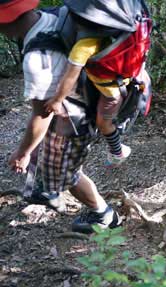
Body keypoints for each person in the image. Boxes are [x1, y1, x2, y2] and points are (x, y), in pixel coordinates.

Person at [1, 0, 121, 233]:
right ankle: (46, 188)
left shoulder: (36, 58)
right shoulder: (53, 17)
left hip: (76, 117)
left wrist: (22, 153)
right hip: (85, 100)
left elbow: (42, 114)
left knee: (68, 174)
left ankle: (104, 215)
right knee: (50, 152)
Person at [44, 17, 131, 167]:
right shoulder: (117, 26)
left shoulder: (84, 46)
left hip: (112, 93)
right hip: (122, 76)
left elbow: (71, 76)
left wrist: (57, 100)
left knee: (103, 123)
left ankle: (118, 152)